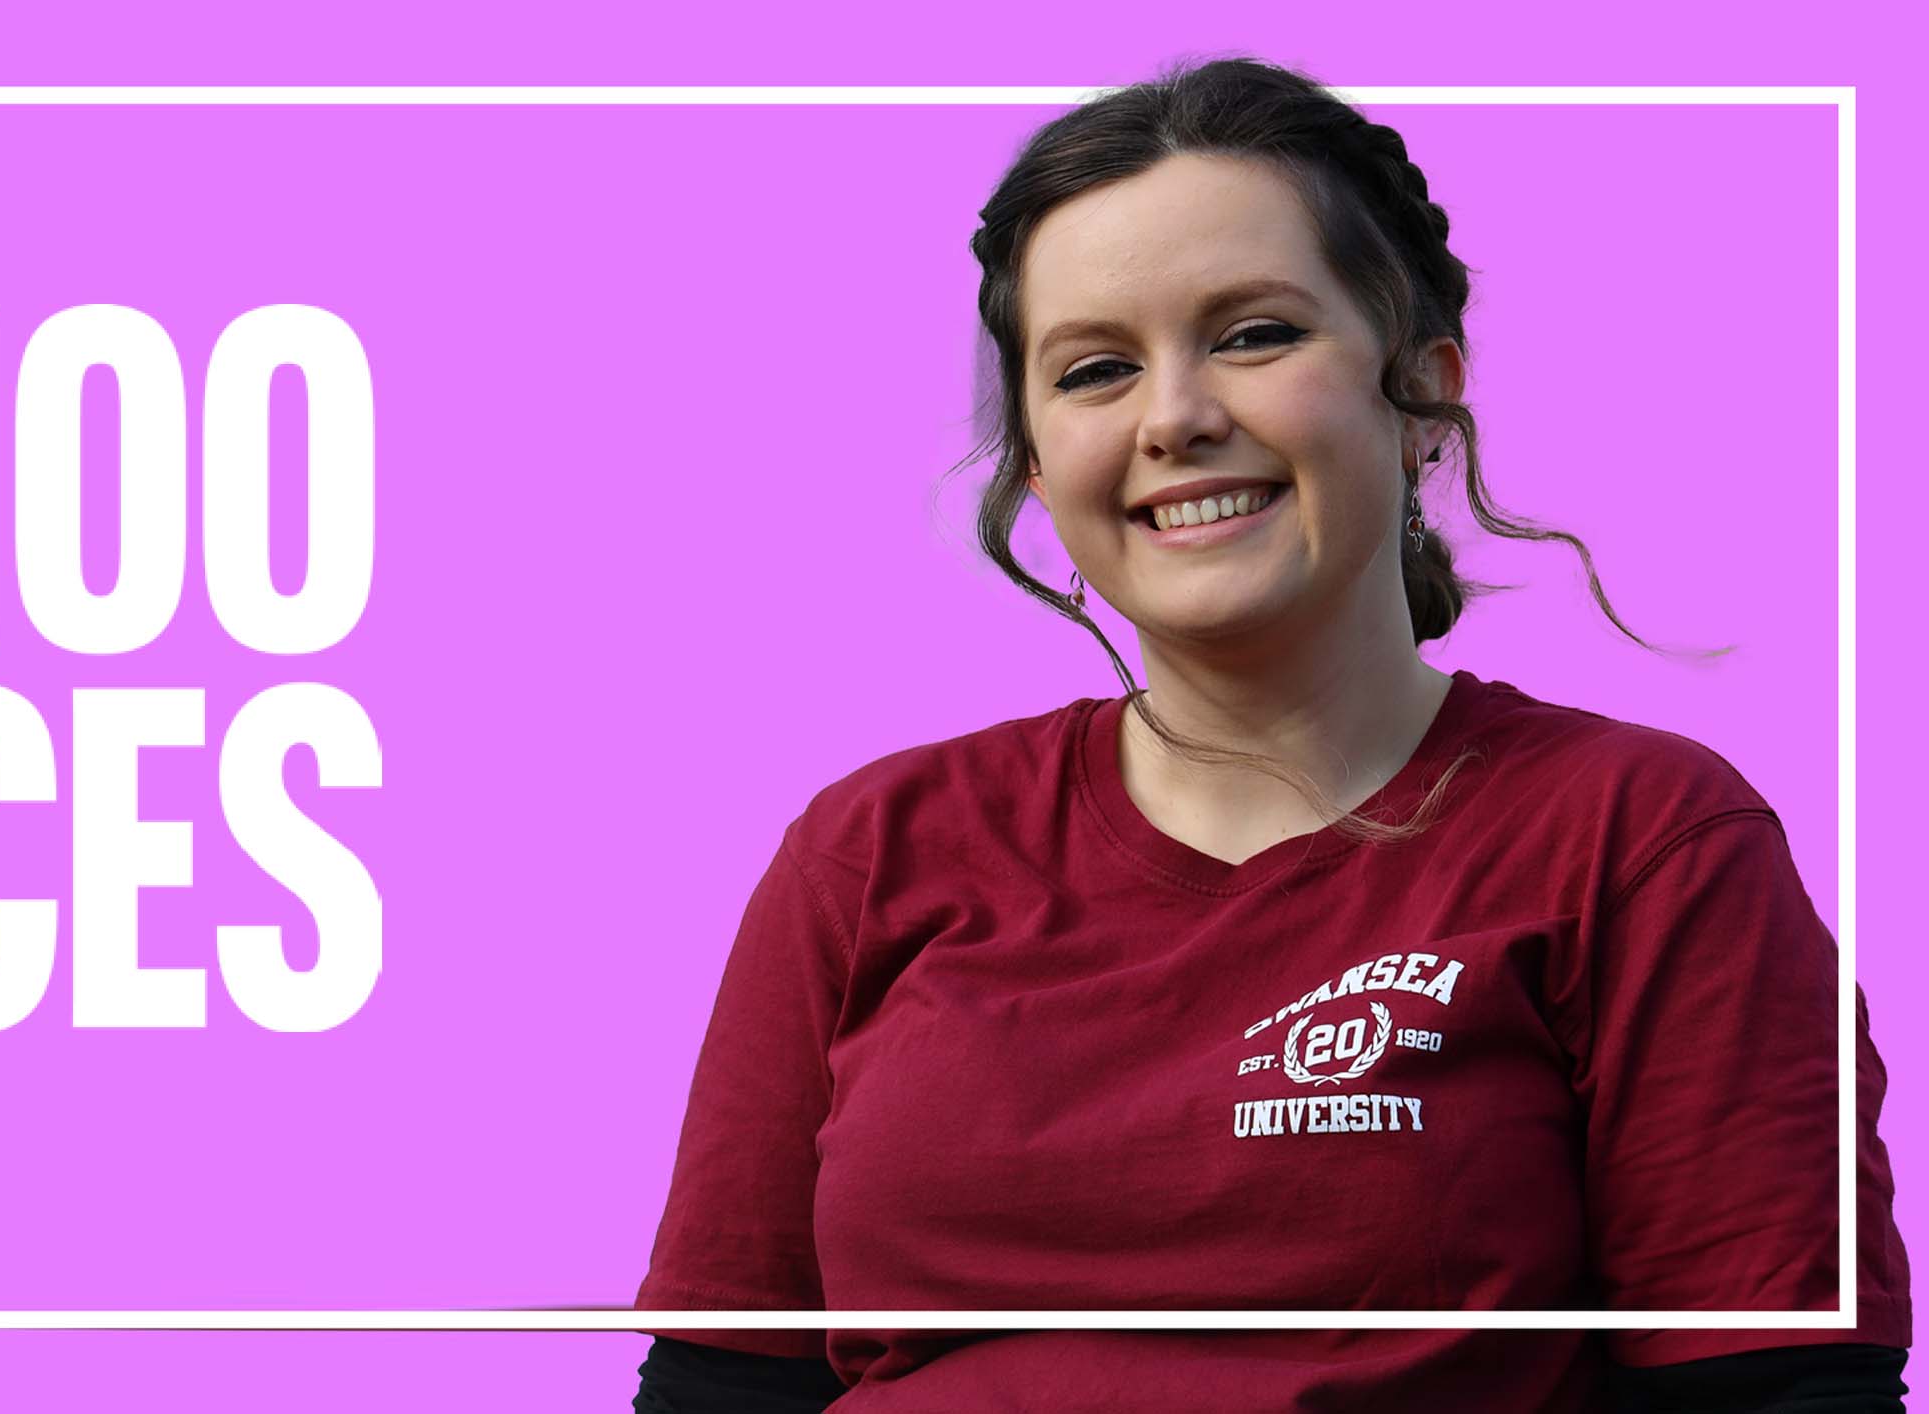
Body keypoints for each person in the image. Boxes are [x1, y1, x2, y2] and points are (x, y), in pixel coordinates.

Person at [629, 54, 1909, 1412]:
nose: (1175, 418)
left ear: (1422, 388)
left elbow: (1781, 1394)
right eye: (1097, 368)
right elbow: (721, 1390)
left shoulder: (1642, 837)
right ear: (1039, 463)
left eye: (1254, 335)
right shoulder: (867, 850)